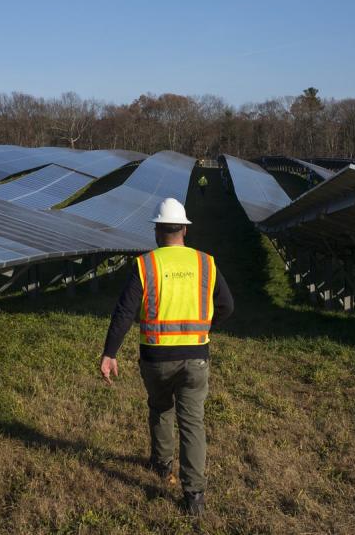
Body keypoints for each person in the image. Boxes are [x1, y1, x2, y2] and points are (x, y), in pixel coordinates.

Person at [99, 197, 234, 517]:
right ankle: (195, 495)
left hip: (156, 359)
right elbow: (227, 306)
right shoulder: (206, 263)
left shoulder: (146, 265)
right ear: (184, 230)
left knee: (160, 408)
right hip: (196, 358)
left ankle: (161, 464)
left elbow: (124, 313)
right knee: (193, 424)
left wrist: (110, 353)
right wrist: (204, 327)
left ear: (157, 231)